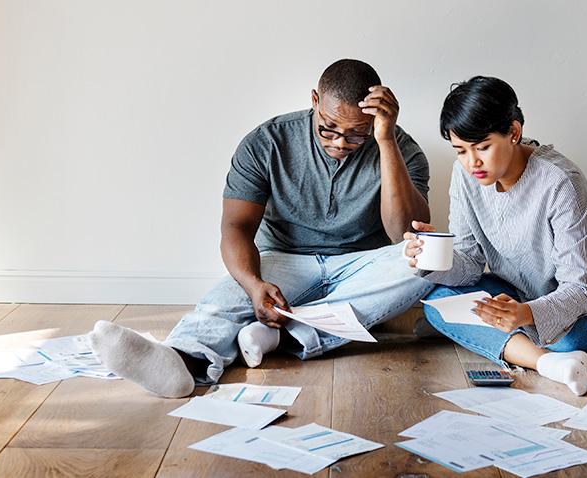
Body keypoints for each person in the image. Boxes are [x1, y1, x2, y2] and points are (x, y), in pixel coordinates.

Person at [90, 59, 434, 398]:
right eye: (328, 127)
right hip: (284, 260)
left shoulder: (401, 149)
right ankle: (181, 360)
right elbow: (235, 227)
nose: (340, 143)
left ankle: (282, 337)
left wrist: (384, 141)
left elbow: (403, 233)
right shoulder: (268, 142)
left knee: (426, 263)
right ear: (314, 101)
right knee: (227, 297)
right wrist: (254, 285)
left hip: (362, 265)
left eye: (357, 134)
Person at [404, 76, 587, 396]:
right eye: (460, 151)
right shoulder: (465, 175)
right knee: (437, 301)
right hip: (522, 294)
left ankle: (531, 348)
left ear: (513, 132)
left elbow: (582, 287)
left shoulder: (561, 182)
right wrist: (427, 257)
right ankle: (547, 363)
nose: (472, 163)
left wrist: (526, 314)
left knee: (570, 341)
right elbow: (469, 263)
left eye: (482, 147)